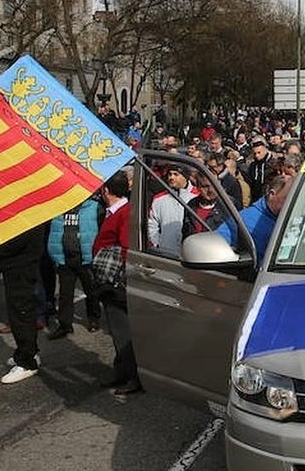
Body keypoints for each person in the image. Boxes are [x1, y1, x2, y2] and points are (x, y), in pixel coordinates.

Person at [93, 171, 139, 395]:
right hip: (110, 282)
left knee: (123, 332)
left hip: (116, 282)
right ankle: (121, 371)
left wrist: (119, 279)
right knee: (117, 329)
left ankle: (132, 376)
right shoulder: (116, 211)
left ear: (106, 191)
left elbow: (125, 247)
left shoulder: (124, 212)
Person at [0, 223, 48, 384]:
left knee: (21, 312)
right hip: (18, 264)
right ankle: (29, 351)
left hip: (21, 265)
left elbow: (19, 238)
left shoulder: (30, 213)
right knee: (20, 311)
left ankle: (27, 362)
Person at [45, 195, 102, 338]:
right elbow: (53, 232)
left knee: (91, 290)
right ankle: (65, 325)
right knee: (65, 294)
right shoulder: (59, 207)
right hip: (65, 258)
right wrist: (54, 254)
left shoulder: (94, 207)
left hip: (86, 257)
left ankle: (93, 319)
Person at [218, 172, 294, 262]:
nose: (293, 203)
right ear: (272, 194)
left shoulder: (294, 219)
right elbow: (215, 245)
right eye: (288, 198)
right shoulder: (246, 221)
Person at [147, 164, 195, 255]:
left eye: (176, 174)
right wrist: (158, 244)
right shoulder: (159, 199)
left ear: (186, 177)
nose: (171, 177)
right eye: (170, 174)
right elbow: (151, 225)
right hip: (167, 253)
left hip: (191, 253)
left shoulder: (196, 196)